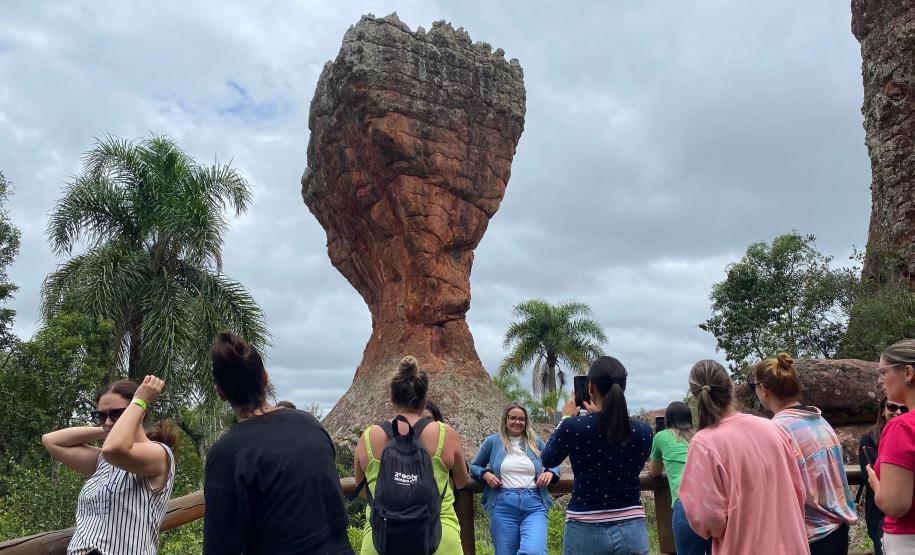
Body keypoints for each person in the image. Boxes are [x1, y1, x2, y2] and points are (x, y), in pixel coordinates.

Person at [203, 332, 352, 555]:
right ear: (265, 377)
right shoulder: (309, 423)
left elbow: (220, 546)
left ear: (220, 392)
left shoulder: (227, 453)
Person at [678, 359, 808, 555]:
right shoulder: (774, 429)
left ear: (696, 396)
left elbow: (706, 518)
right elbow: (799, 490)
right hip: (794, 547)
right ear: (730, 387)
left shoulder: (703, 444)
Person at [42, 377, 177, 555]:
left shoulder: (159, 454)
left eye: (116, 414)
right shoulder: (103, 460)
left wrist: (139, 401)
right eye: (101, 415)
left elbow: (114, 449)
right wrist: (110, 428)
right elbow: (51, 440)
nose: (107, 421)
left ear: (140, 412)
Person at [354, 356, 470, 555]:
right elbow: (461, 481)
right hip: (438, 537)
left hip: (381, 539)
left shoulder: (369, 436)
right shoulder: (445, 434)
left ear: (391, 396)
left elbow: (363, 490)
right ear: (424, 398)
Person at [541, 356, 653, 555]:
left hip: (585, 526)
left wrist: (566, 418)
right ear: (623, 388)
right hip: (631, 527)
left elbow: (548, 458)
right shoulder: (643, 431)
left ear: (590, 387)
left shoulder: (574, 427)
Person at [750, 352, 856, 554]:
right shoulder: (819, 421)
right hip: (838, 531)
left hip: (808, 537)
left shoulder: (777, 430)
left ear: (763, 390)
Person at [470, 403, 560, 555]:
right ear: (505, 420)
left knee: (534, 551)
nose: (517, 422)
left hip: (534, 504)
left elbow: (554, 461)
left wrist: (550, 473)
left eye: (521, 419)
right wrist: (485, 474)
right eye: (513, 418)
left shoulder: (535, 441)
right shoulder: (493, 441)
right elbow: (474, 466)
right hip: (503, 504)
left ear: (526, 422)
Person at [866, 339, 915, 554]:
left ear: (908, 373)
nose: (879, 380)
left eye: (883, 372)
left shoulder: (902, 427)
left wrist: (876, 484)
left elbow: (895, 505)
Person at [648, 401, 710, 555]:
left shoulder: (661, 436)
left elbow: (655, 472)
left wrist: (646, 463)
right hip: (712, 502)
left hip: (686, 504)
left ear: (668, 419)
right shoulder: (699, 436)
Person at [859, 397, 907, 555]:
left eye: (904, 409)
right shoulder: (870, 438)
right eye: (892, 407)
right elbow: (870, 474)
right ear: (883, 410)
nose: (898, 412)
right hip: (880, 510)